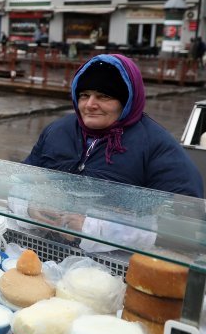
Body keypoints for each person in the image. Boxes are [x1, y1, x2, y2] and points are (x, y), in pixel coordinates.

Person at [22, 54, 203, 249]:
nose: (90, 104)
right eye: (84, 95)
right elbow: (19, 180)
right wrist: (29, 206)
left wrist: (95, 228)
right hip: (44, 251)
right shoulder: (57, 131)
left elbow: (187, 224)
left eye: (104, 96)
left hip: (115, 269)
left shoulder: (156, 145)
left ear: (127, 101)